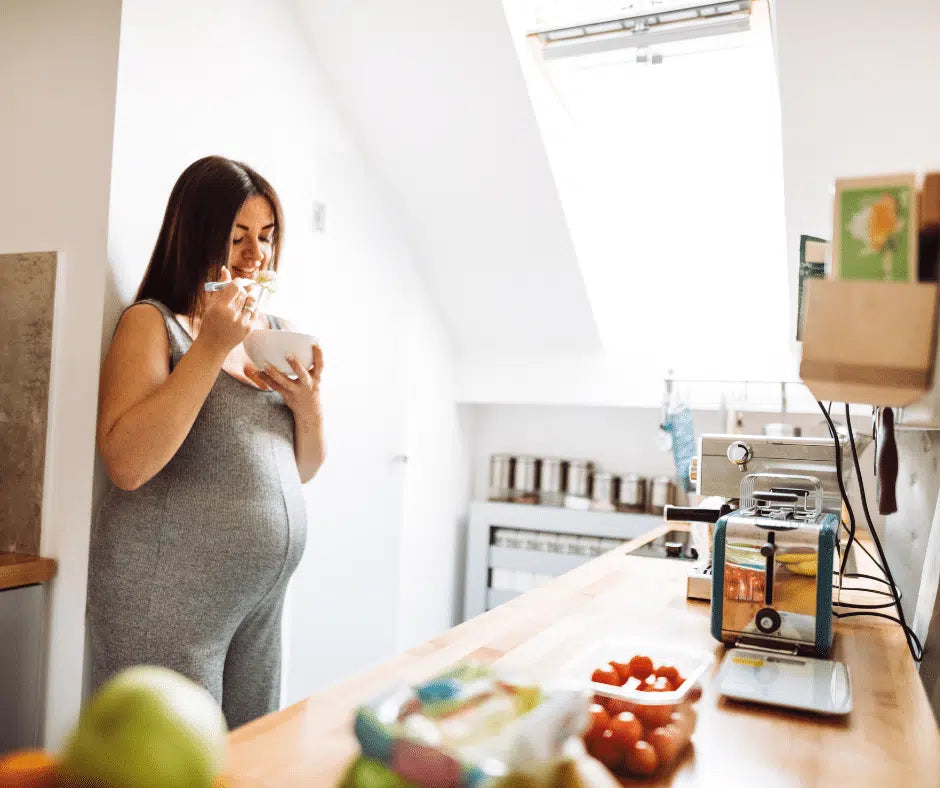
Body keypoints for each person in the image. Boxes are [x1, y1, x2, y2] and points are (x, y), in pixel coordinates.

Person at [88, 155, 325, 728]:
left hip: (259, 603)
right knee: (170, 763)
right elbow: (127, 464)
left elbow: (303, 470)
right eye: (237, 235)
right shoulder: (151, 323)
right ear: (195, 235)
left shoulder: (272, 333)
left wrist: (308, 406)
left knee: (245, 757)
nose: (256, 254)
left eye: (266, 236)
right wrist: (212, 346)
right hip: (166, 595)